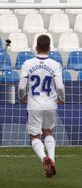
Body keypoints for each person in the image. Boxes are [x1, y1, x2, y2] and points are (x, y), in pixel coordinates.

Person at [18, 35, 65, 178]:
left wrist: (22, 96)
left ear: (36, 48)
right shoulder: (55, 64)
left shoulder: (27, 63)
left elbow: (21, 87)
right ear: (49, 48)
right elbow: (60, 87)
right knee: (48, 132)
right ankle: (52, 160)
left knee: (34, 136)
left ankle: (44, 158)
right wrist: (62, 98)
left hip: (34, 105)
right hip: (51, 104)